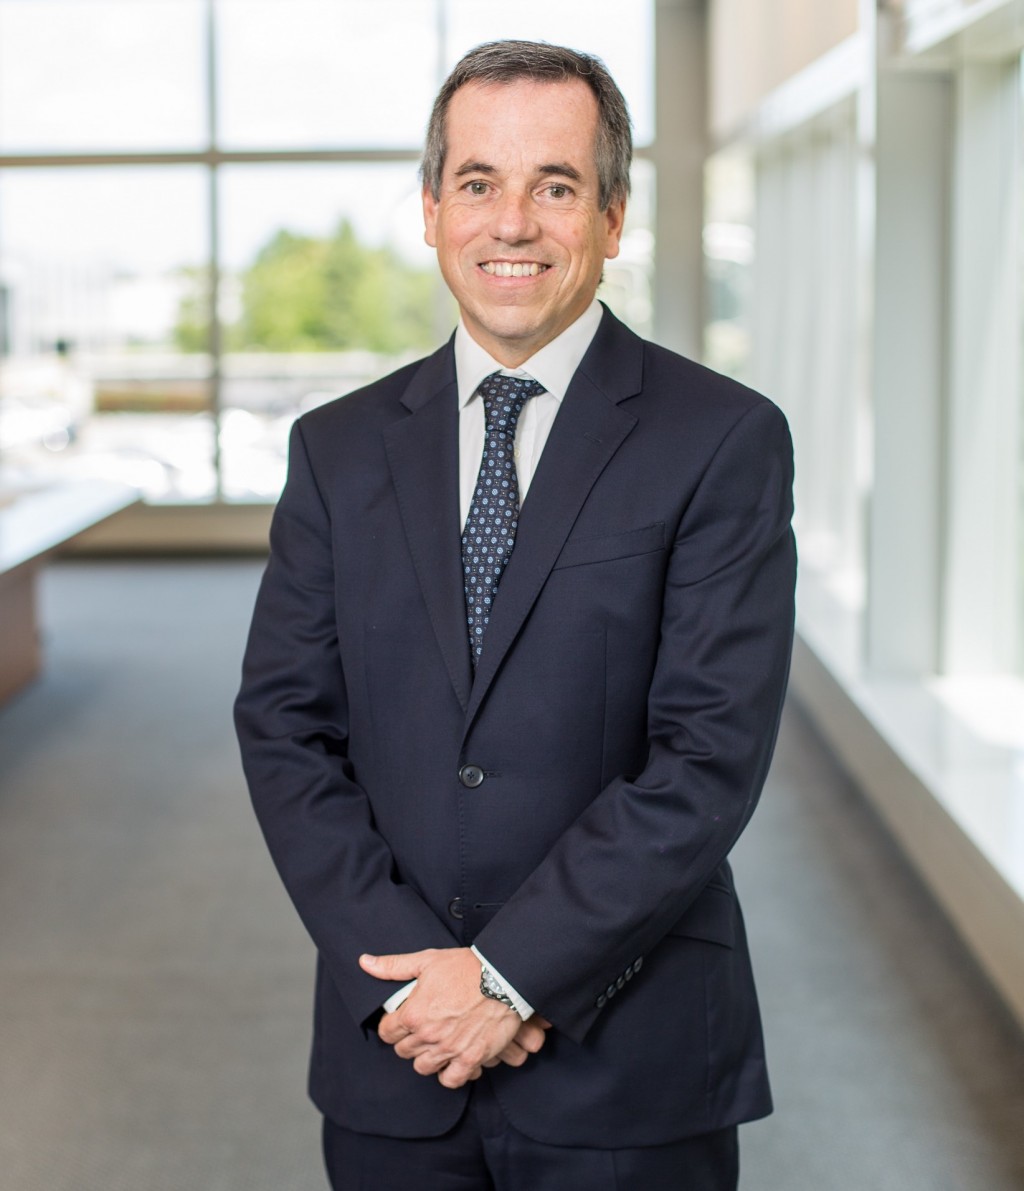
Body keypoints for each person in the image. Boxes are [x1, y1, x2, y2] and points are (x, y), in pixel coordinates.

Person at [234, 38, 796, 1191]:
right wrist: (411, 978)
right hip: (397, 1048)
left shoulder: (721, 439)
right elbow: (285, 727)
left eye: (556, 186)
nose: (512, 223)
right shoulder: (337, 451)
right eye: (479, 182)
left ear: (612, 217)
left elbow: (706, 756)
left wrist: (505, 977)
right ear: (432, 210)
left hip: (626, 1064)